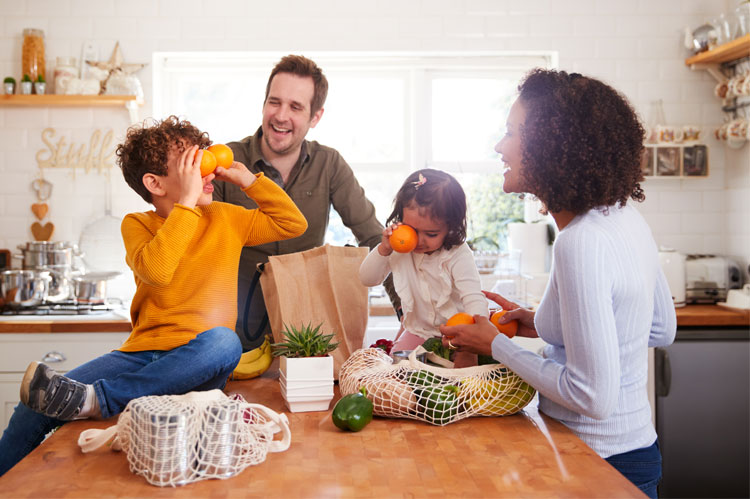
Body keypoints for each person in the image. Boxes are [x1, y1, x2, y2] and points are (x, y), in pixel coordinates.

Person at [0, 116, 307, 477]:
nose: (204, 168)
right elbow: (158, 269)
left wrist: (249, 181)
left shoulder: (226, 218)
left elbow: (292, 224)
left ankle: (101, 399)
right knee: (33, 404)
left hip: (200, 360)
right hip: (142, 355)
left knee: (225, 341)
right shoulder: (138, 224)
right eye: (191, 163)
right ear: (154, 183)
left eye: (203, 158)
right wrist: (188, 203)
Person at [439, 69, 676, 498]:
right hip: (637, 453)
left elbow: (591, 397)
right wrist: (546, 322)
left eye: (512, 132)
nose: (499, 146)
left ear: (551, 145)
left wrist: (496, 345)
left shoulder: (579, 242)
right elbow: (660, 327)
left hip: (597, 464)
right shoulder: (624, 218)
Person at [213, 54, 399, 354]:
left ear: (315, 117)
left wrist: (405, 316)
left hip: (305, 336)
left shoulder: (329, 165)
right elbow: (201, 247)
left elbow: (376, 239)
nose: (281, 115)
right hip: (232, 334)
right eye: (274, 102)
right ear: (264, 104)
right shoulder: (227, 162)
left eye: (296, 107)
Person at [359, 168, 487, 368]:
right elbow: (367, 278)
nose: (419, 241)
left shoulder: (458, 254)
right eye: (413, 230)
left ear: (451, 227)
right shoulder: (398, 247)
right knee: (397, 372)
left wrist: (471, 347)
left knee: (461, 380)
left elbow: (474, 300)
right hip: (418, 331)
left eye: (432, 233)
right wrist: (384, 248)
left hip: (459, 336)